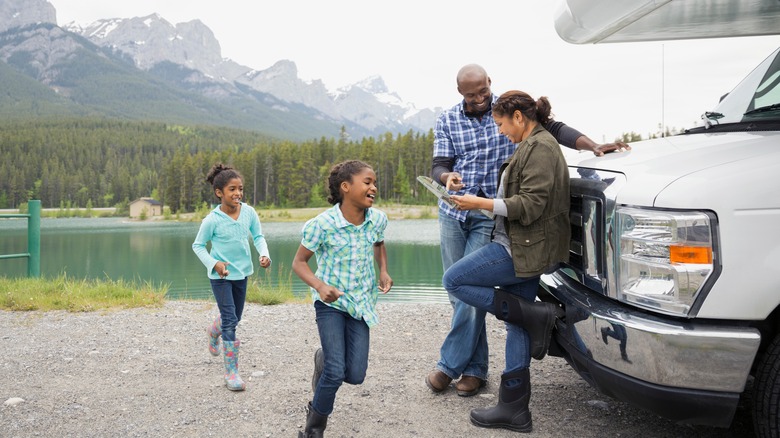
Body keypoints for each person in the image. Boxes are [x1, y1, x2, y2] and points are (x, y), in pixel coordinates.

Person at [426, 64, 629, 397]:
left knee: (465, 282)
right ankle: (476, 369)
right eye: (470, 95)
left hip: (490, 213)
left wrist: (592, 146)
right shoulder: (448, 119)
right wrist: (446, 177)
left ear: (489, 83)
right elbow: (439, 164)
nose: (478, 99)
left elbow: (555, 127)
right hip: (454, 210)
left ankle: (450, 367)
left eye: (482, 91)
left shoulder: (510, 110)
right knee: (458, 292)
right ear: (459, 92)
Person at [443, 90, 569, 432]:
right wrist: (480, 201)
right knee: (518, 321)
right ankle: (514, 409)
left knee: (454, 280)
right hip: (524, 245)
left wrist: (479, 205)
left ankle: (538, 313)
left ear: (518, 117)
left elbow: (529, 206)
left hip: (519, 247)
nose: (500, 131)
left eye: (501, 124)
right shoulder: (529, 145)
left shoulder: (540, 148)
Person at [292, 160, 393, 438]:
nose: (373, 187)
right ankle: (313, 429)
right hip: (330, 305)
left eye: (375, 182)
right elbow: (299, 263)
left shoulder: (377, 219)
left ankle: (322, 359)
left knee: (356, 375)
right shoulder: (322, 224)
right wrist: (319, 285)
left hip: (361, 304)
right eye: (367, 182)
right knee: (336, 373)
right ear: (346, 187)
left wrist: (383, 270)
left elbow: (379, 243)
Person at [192, 163, 271, 391]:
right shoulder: (212, 220)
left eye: (240, 189)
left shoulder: (248, 212)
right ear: (219, 193)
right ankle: (231, 373)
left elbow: (258, 236)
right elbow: (198, 246)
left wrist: (264, 254)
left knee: (234, 317)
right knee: (230, 320)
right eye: (232, 189)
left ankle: (212, 331)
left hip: (242, 273)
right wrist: (214, 263)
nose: (238, 193)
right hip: (220, 277)